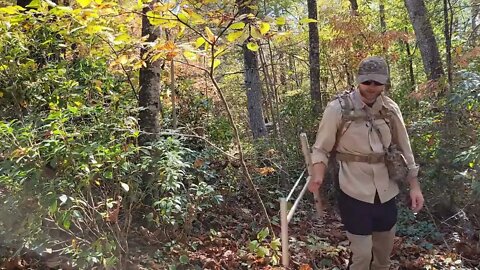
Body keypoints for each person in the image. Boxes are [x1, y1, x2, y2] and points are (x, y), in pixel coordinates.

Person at [308, 56, 424, 270]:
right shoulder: (338, 109)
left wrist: (414, 187)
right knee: (361, 256)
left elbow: (405, 150)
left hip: (387, 189)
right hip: (353, 189)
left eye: (377, 82)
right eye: (367, 82)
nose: (371, 87)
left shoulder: (390, 109)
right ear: (358, 80)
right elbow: (321, 148)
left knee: (382, 256)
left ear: (385, 83)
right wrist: (318, 174)